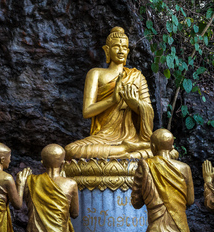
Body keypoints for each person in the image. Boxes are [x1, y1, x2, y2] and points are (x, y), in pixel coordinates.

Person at [65, 26, 154, 160]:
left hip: (133, 138)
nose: (121, 51)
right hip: (103, 138)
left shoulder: (137, 76)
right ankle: (125, 150)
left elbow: (149, 112)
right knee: (70, 150)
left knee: (161, 148)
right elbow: (87, 112)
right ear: (107, 50)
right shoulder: (96, 73)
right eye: (116, 47)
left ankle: (127, 151)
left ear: (128, 51)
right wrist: (112, 100)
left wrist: (134, 103)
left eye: (124, 48)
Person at [14, 144, 92, 232]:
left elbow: (19, 204)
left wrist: (20, 185)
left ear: (42, 162)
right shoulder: (70, 183)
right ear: (63, 162)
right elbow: (74, 214)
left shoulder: (30, 181)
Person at [130, 129, 195, 232]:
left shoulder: (145, 165)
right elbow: (190, 200)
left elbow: (136, 203)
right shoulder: (185, 168)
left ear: (152, 147)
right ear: (172, 146)